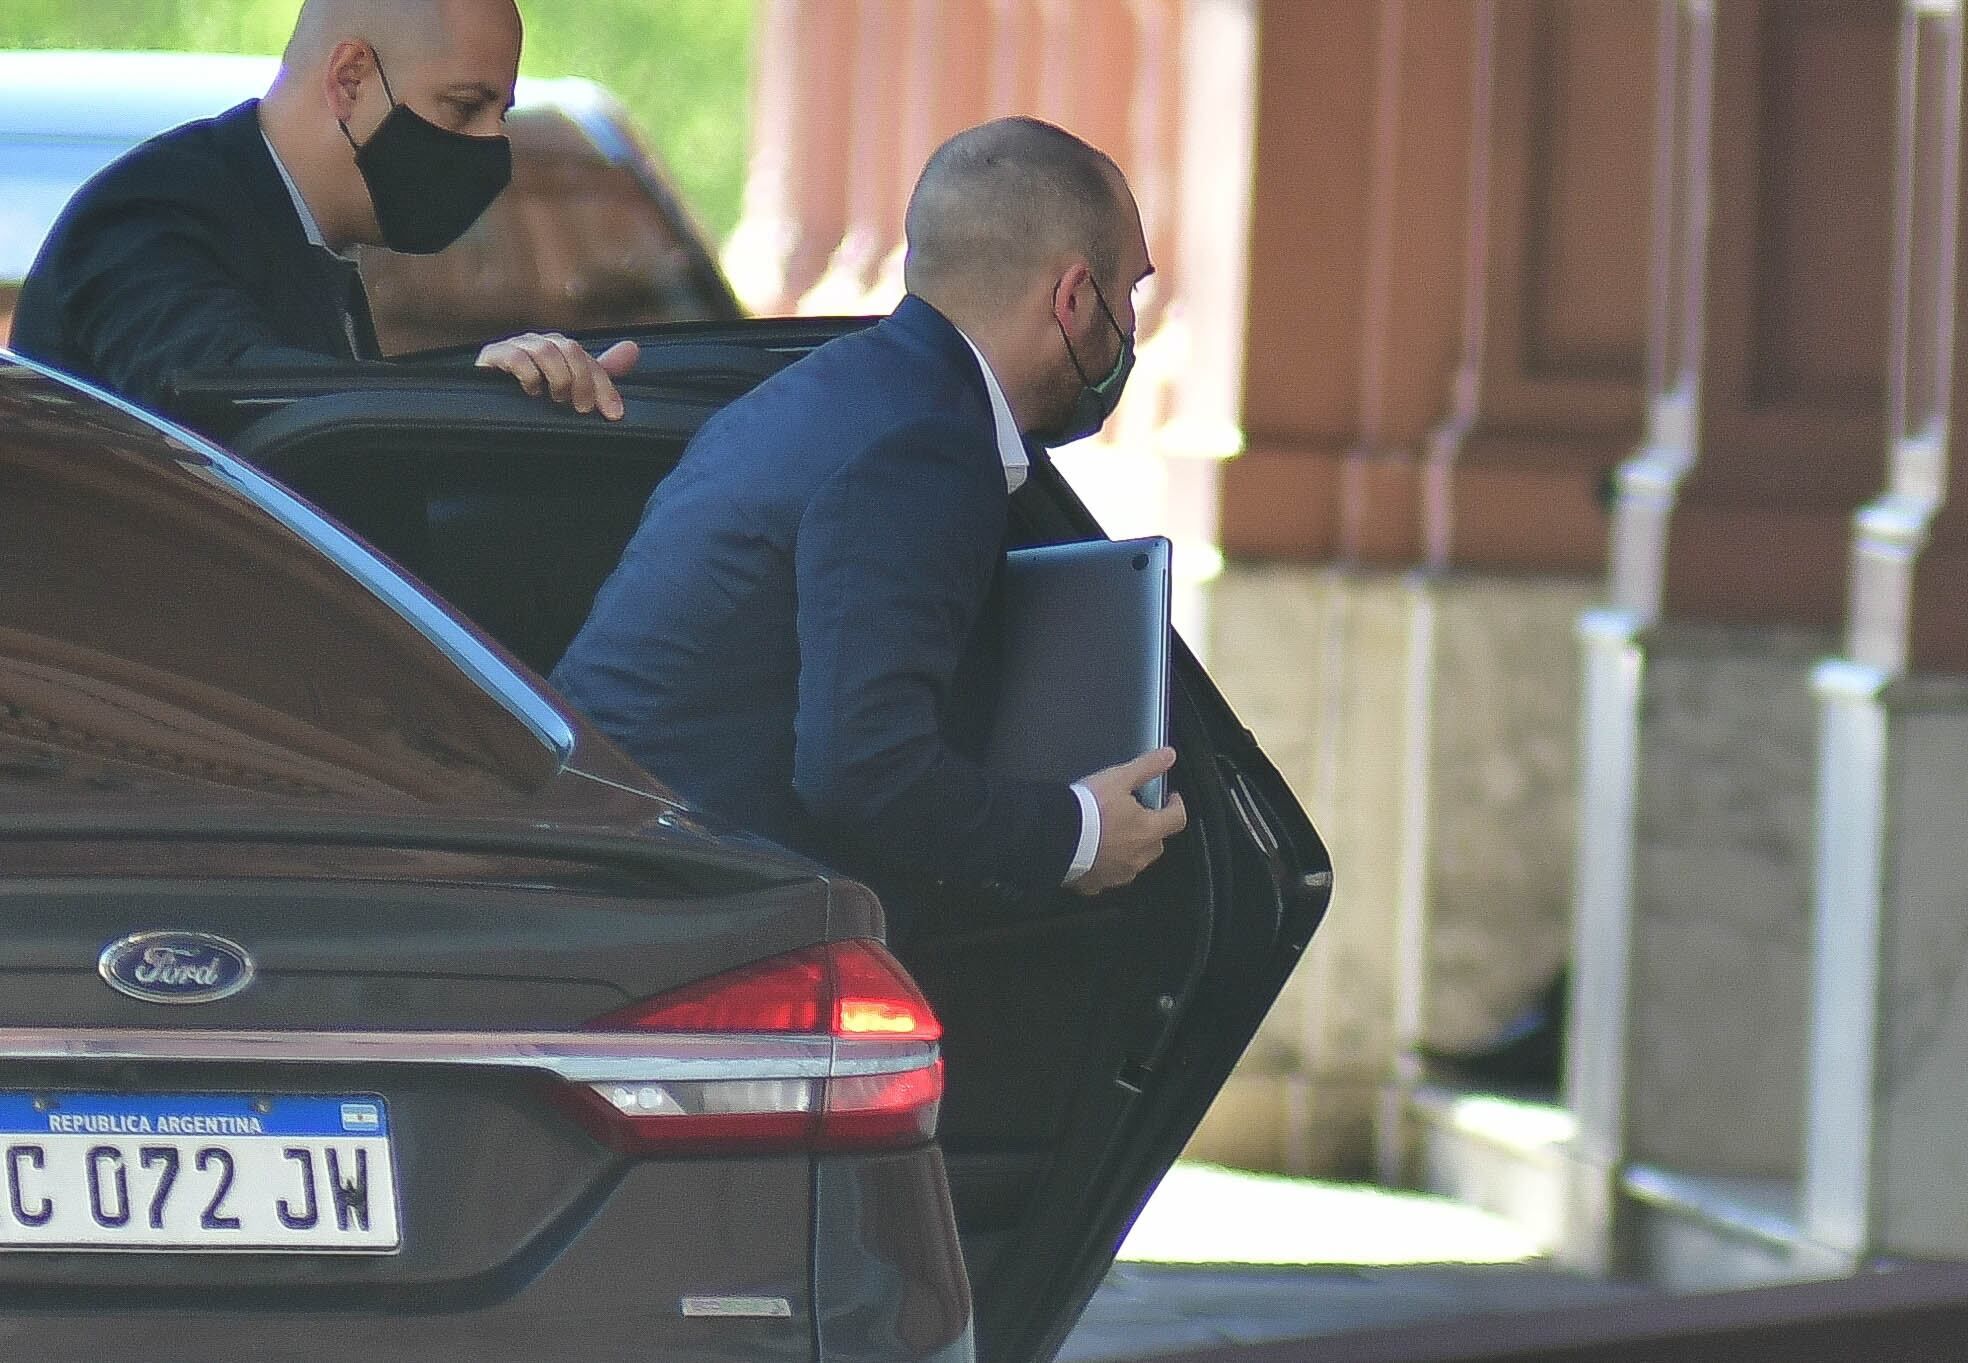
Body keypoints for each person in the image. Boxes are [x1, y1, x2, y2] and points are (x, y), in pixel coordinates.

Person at [552, 116, 1187, 913]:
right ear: (1070, 297)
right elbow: (865, 771)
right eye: (1128, 290)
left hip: (597, 864)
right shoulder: (927, 449)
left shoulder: (835, 392)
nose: (1131, 326)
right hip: (666, 911)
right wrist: (1080, 833)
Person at [10, 0, 637, 426]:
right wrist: (461, 391)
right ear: (350, 79)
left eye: (499, 114)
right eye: (464, 106)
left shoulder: (307, 238)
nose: (490, 143)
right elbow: (225, 395)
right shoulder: (153, 213)